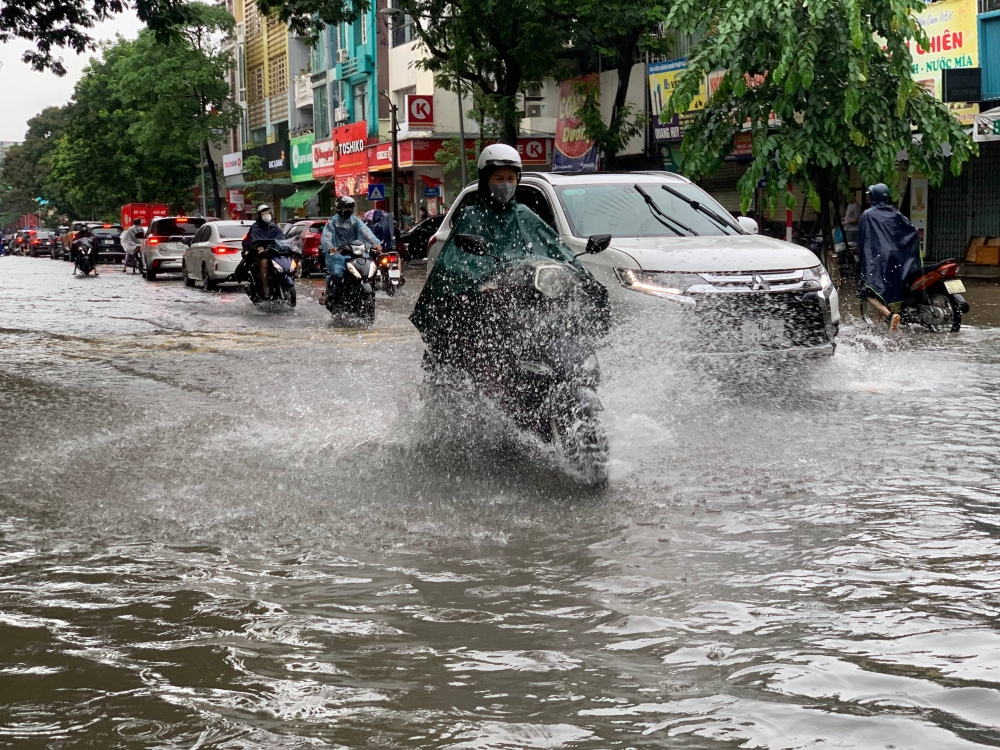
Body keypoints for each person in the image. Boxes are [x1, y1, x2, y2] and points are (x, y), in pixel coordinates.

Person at [410, 143, 582, 354]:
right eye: (498, 179)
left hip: (524, 301)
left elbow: (556, 249)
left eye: (510, 179)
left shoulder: (525, 215)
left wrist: (577, 269)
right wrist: (481, 279)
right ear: (486, 180)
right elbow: (453, 264)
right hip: (480, 304)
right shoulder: (471, 217)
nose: (506, 185)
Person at [857, 183, 921, 332]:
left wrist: (862, 256)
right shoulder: (895, 213)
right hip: (896, 259)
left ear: (874, 197)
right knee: (883, 292)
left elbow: (863, 240)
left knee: (867, 291)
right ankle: (875, 326)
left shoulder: (868, 215)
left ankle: (889, 315)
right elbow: (911, 231)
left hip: (878, 259)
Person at [320, 196, 381, 301]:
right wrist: (330, 248)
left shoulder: (356, 221)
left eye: (350, 208)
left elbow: (366, 232)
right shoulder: (332, 223)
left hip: (356, 253)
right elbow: (327, 237)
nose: (349, 210)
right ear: (339, 208)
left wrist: (375, 243)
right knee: (336, 273)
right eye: (346, 208)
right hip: (338, 256)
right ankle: (330, 294)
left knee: (369, 270)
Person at [241, 204, 285, 297]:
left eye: (268, 213)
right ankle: (266, 289)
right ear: (259, 215)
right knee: (264, 263)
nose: (267, 215)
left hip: (274, 253)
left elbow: (282, 239)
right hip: (261, 255)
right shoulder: (255, 227)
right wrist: (258, 248)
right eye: (264, 213)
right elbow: (252, 241)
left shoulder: (274, 227)